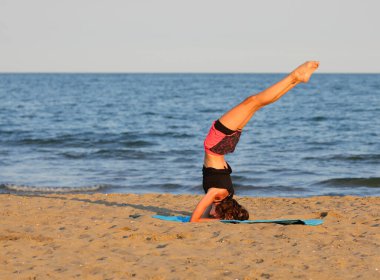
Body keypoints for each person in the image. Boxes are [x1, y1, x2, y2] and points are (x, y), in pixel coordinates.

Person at [190, 61, 320, 222]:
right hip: (217, 143)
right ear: (223, 211)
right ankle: (295, 77)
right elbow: (196, 219)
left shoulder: (226, 194)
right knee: (254, 101)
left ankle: (297, 79)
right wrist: (219, 220)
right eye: (213, 214)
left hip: (224, 145)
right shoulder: (217, 194)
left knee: (255, 103)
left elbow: (198, 218)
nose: (210, 213)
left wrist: (217, 218)